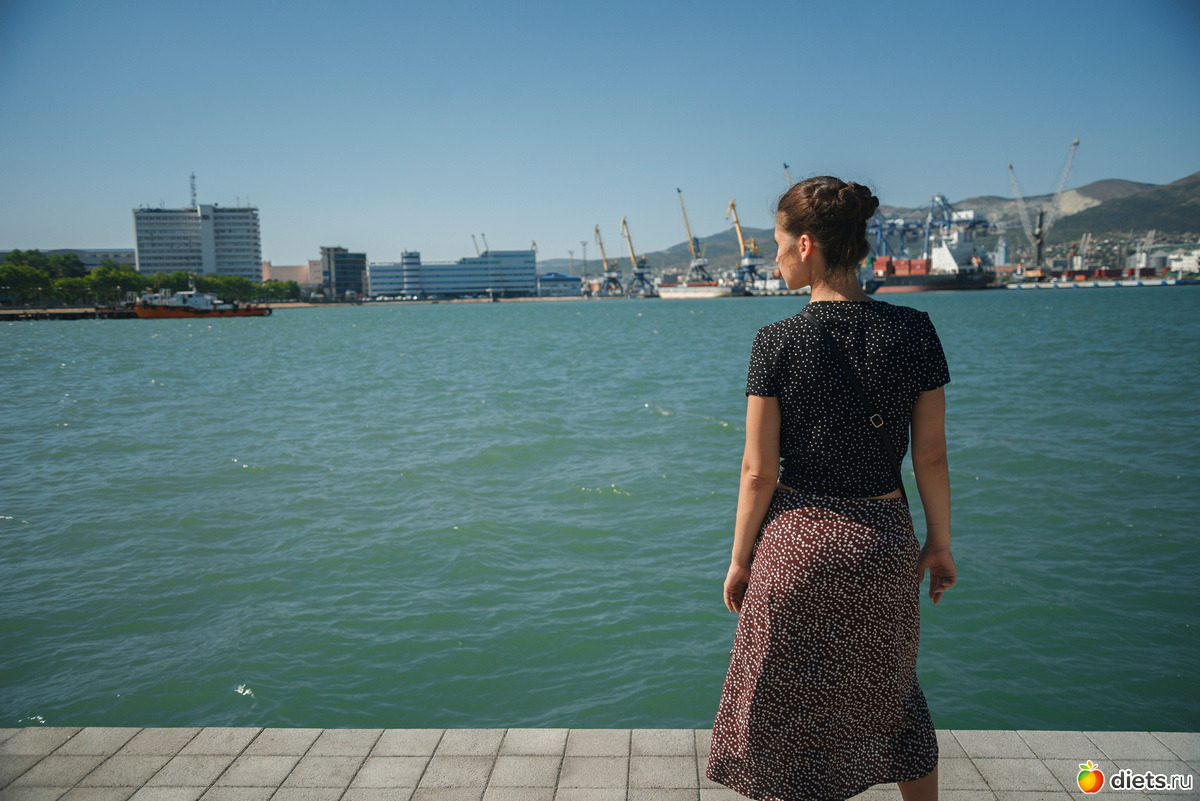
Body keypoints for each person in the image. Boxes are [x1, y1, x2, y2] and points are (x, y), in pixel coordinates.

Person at [705, 175, 957, 801]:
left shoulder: (777, 342)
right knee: (893, 698)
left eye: (778, 245)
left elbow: (758, 472)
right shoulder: (916, 331)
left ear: (807, 245)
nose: (775, 259)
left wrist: (740, 559)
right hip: (884, 544)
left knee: (786, 711)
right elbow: (931, 457)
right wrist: (939, 544)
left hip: (798, 548)